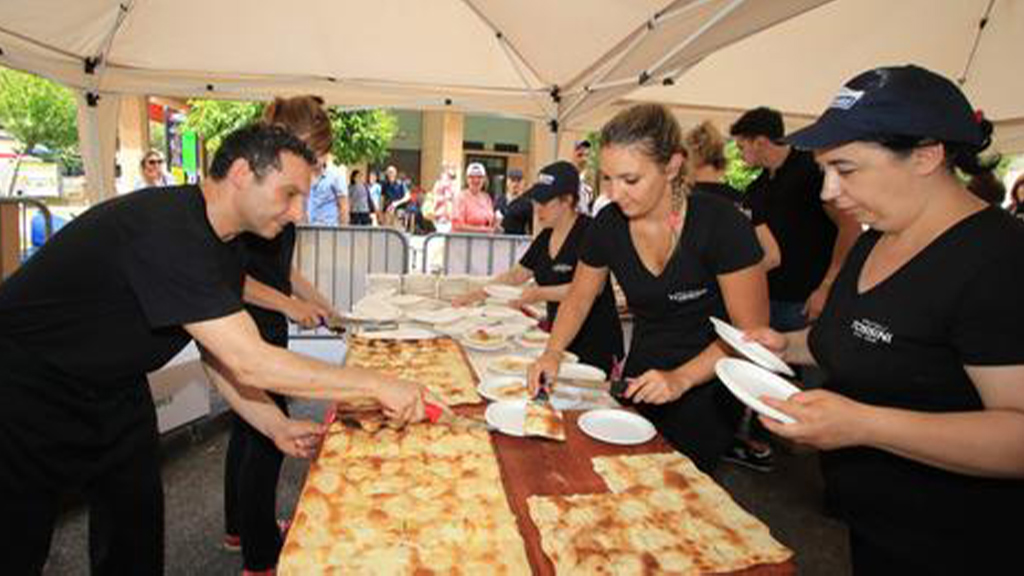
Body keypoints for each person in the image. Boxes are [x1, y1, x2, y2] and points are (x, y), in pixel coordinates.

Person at [0, 123, 432, 574]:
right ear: (242, 173)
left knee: (135, 536)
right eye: (289, 194)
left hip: (113, 387)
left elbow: (220, 353)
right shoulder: (166, 228)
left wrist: (273, 423)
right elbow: (251, 360)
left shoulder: (226, 244)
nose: (298, 212)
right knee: (16, 543)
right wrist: (373, 382)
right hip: (22, 388)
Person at [746, 65, 1024, 574]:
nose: (829, 192)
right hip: (875, 522)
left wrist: (865, 425)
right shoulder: (875, 238)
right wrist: (786, 346)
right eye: (825, 170)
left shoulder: (1000, 260)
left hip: (962, 541)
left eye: (846, 170)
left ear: (926, 155)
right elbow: (859, 335)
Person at [528, 104, 770, 472]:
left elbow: (751, 336)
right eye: (607, 179)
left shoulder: (721, 224)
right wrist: (552, 352)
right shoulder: (607, 224)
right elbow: (579, 297)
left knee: (683, 493)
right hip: (642, 375)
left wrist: (681, 379)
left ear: (672, 166)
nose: (614, 193)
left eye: (630, 180)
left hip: (709, 382)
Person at [219, 96, 342, 575]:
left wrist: (323, 303)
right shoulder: (260, 191)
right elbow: (234, 278)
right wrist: (292, 306)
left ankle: (240, 529)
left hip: (262, 320)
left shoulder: (281, 193)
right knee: (271, 438)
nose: (318, 165)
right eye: (316, 153)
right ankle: (261, 556)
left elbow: (280, 269)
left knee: (247, 433)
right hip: (246, 325)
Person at [454, 161, 623, 373]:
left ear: (567, 201)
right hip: (557, 339)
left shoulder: (590, 232)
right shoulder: (546, 236)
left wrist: (538, 294)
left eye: (545, 202)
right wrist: (477, 294)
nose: (537, 208)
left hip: (594, 341)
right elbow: (517, 274)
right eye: (536, 201)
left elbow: (589, 289)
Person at [684, 119, 782, 471]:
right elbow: (773, 256)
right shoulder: (743, 199)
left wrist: (718, 280)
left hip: (698, 322)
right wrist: (740, 280)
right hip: (740, 322)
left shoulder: (691, 203)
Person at [730, 107, 861, 329]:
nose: (740, 154)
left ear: (760, 142)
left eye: (742, 146)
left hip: (806, 300)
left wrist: (828, 285)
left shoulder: (813, 170)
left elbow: (850, 227)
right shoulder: (756, 188)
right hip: (767, 299)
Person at [452, 162, 497, 233]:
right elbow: (457, 225)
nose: (476, 180)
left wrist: (496, 224)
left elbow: (490, 222)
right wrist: (483, 230)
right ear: (467, 179)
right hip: (464, 241)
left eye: (479, 177)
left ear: (484, 179)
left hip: (484, 241)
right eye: (472, 177)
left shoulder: (487, 197)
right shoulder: (460, 197)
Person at [306, 157, 347, 225]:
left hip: (329, 229)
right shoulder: (302, 176)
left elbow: (343, 206)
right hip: (307, 228)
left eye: (320, 154)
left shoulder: (335, 175)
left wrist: (343, 232)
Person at [498, 168, 534, 235]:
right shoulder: (500, 200)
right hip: (499, 241)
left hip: (517, 242)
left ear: (523, 183)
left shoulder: (527, 203)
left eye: (518, 181)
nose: (515, 184)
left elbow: (531, 227)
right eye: (512, 180)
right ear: (507, 182)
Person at [429, 165, 458, 233]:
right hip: (441, 212)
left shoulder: (450, 185)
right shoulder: (441, 185)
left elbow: (453, 198)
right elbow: (435, 196)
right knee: (442, 231)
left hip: (446, 213)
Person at [572, 139, 595, 214]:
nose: (584, 159)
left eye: (587, 155)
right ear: (573, 155)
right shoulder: (567, 178)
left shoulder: (591, 180)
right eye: (580, 155)